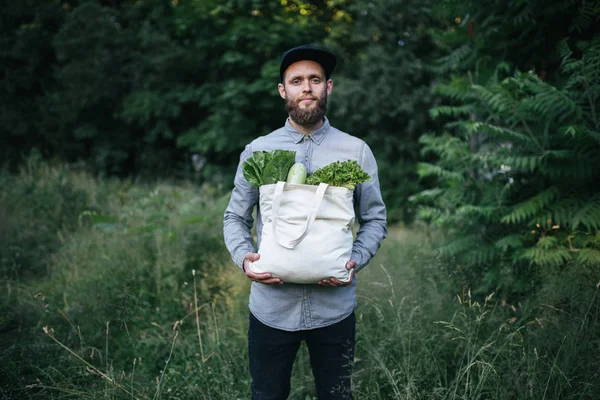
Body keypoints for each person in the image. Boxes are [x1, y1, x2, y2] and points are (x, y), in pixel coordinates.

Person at [223, 45, 387, 400]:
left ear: (329, 86)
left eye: (315, 79)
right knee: (266, 395)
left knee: (338, 396)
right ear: (284, 90)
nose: (306, 88)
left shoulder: (355, 150)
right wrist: (243, 256)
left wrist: (355, 259)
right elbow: (235, 216)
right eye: (296, 81)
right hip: (271, 308)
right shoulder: (258, 150)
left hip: (335, 309)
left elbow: (375, 219)